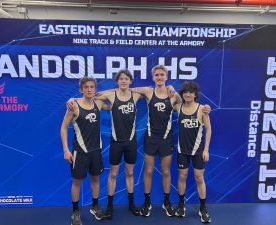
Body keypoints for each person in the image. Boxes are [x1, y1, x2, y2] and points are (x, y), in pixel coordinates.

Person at [131, 65, 211, 217]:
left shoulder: (175, 96)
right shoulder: (148, 91)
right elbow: (126, 89)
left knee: (166, 172)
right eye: (157, 75)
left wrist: (205, 108)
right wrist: (99, 94)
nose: (159, 77)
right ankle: (147, 202)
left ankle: (166, 202)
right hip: (150, 138)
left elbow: (188, 104)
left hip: (167, 139)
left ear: (166, 77)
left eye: (162, 75)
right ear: (153, 77)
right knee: (148, 171)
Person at [67, 69, 142, 220]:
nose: (123, 81)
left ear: (130, 81)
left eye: (126, 78)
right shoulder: (106, 96)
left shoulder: (136, 95)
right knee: (110, 174)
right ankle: (104, 208)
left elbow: (155, 90)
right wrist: (72, 99)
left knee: (129, 173)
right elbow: (90, 96)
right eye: (120, 78)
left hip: (128, 143)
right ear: (117, 81)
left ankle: (130, 204)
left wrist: (171, 88)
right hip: (110, 144)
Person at [60, 77, 107, 225]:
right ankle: (75, 212)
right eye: (86, 87)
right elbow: (63, 128)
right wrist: (66, 150)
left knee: (95, 179)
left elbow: (114, 97)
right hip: (80, 152)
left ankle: (94, 206)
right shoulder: (73, 106)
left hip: (96, 151)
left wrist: (101, 94)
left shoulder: (99, 103)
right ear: (81, 89)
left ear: (95, 89)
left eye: (92, 87)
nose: (89, 89)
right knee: (77, 182)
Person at [173, 81, 211, 223]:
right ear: (182, 94)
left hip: (198, 150)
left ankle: (203, 208)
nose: (187, 94)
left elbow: (209, 129)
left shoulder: (202, 109)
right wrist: (171, 89)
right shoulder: (178, 107)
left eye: (190, 92)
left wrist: (206, 149)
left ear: (195, 94)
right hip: (182, 150)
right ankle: (181, 205)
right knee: (182, 176)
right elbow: (170, 98)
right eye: (185, 92)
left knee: (199, 178)